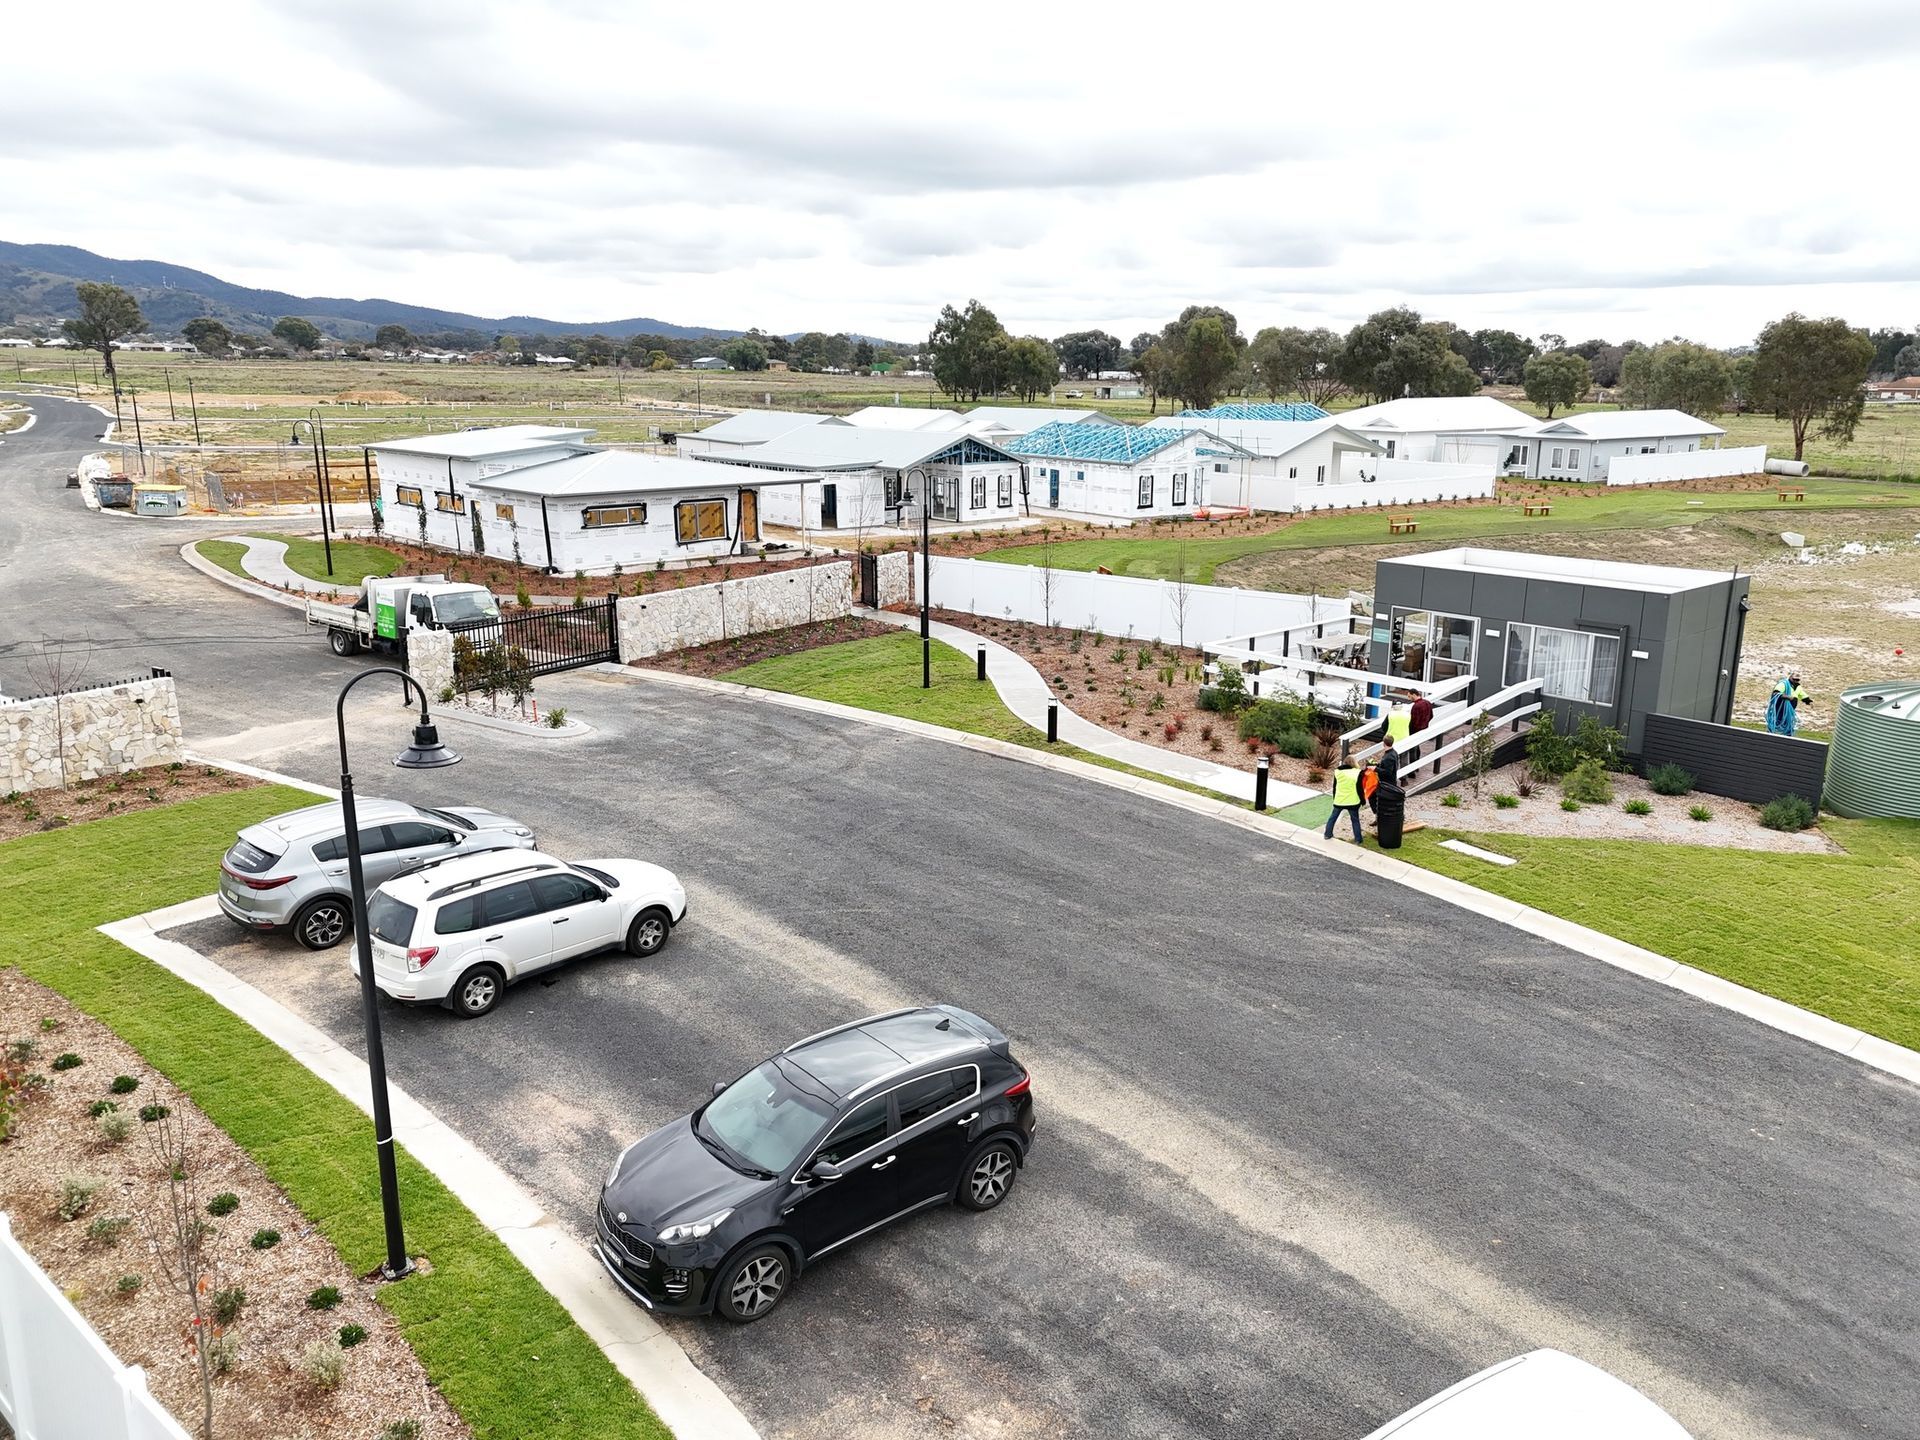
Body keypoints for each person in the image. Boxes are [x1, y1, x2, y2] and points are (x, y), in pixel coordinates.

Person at [1324, 744, 1365, 845]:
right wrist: (1363, 800)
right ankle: (1358, 839)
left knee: (1332, 817)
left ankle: (1327, 834)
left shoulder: (1337, 772)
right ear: (1354, 763)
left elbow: (1334, 787)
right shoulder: (1357, 773)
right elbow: (1360, 789)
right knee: (1355, 820)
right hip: (1353, 801)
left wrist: (1335, 798)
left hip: (1340, 800)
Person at [1407, 691, 1434, 761]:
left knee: (1413, 748)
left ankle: (1413, 766)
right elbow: (1431, 715)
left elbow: (1413, 720)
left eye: (1409, 696)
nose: (1409, 698)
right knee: (1417, 747)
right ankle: (1416, 763)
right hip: (1424, 727)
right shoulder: (1427, 703)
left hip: (1415, 729)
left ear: (1414, 694)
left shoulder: (1416, 706)